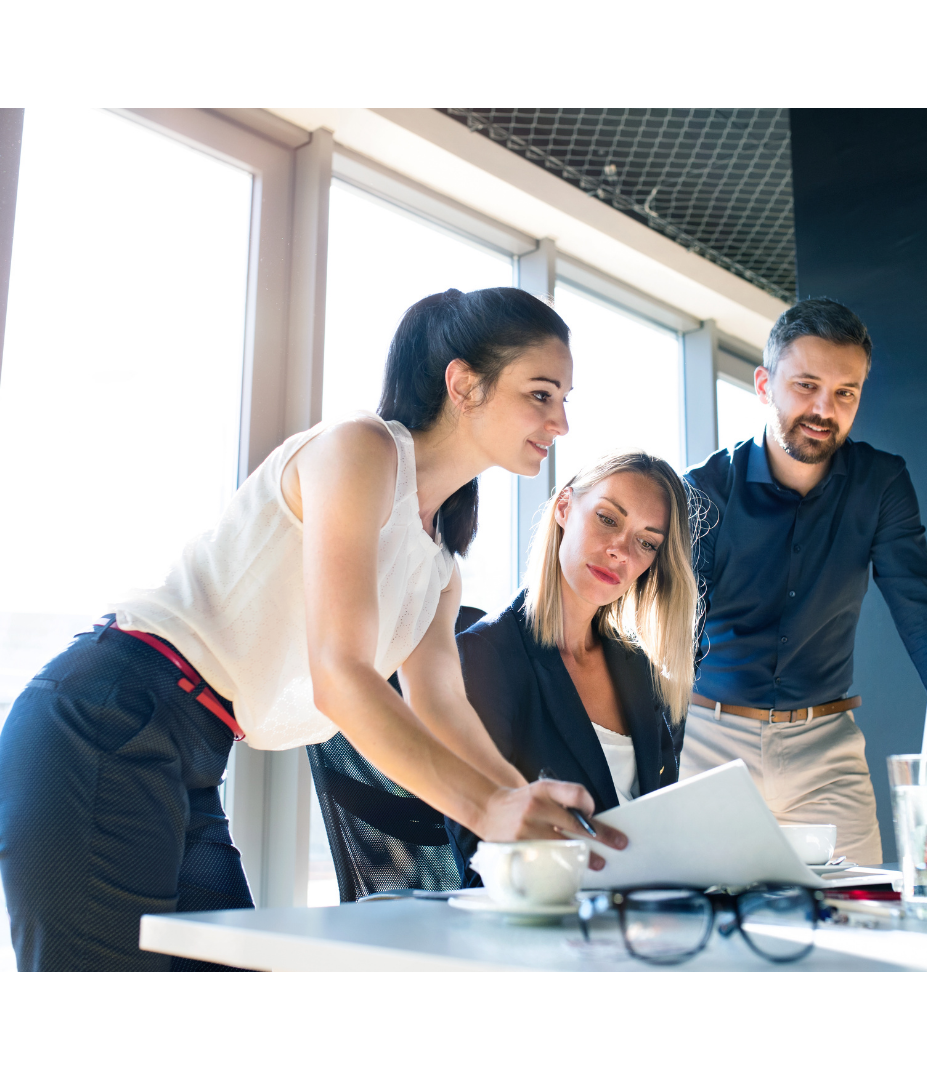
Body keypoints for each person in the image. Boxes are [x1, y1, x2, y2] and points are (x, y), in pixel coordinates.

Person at [0, 286, 626, 971]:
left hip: (197, 749)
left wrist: (526, 813)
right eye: (541, 393)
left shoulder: (439, 567)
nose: (561, 421)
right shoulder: (359, 450)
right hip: (109, 714)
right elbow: (342, 677)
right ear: (463, 383)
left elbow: (442, 706)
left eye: (565, 399)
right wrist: (490, 812)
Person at [683, 298, 927, 863]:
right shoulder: (702, 489)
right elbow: (675, 633)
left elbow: (922, 615)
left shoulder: (882, 482)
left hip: (826, 747)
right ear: (765, 384)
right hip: (708, 741)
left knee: (864, 926)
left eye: (846, 392)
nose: (825, 408)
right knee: (700, 920)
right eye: (806, 385)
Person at [448, 450, 698, 877]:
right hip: (548, 913)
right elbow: (479, 853)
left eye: (646, 542)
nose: (620, 550)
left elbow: (659, 825)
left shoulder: (640, 671)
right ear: (564, 507)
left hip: (643, 910)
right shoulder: (486, 656)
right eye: (608, 518)